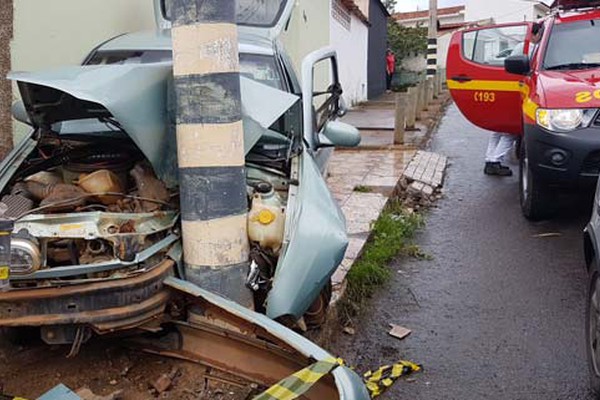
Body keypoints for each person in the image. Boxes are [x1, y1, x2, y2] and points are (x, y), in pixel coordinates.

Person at [484, 22, 544, 176]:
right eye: (540, 35)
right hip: (519, 90)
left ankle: (489, 160)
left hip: (509, 88)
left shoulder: (519, 47)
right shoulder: (532, 49)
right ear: (535, 34)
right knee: (510, 132)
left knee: (498, 130)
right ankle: (495, 161)